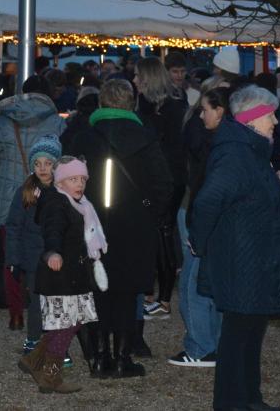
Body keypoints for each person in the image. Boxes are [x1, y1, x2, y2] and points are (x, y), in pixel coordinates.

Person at [65, 79, 174, 378]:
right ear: (132, 103)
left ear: (102, 102)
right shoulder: (145, 136)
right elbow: (164, 183)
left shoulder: (83, 137)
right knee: (126, 294)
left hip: (92, 224)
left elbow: (67, 180)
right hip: (133, 226)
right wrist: (151, 212)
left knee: (97, 290)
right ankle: (122, 357)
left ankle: (99, 358)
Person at [190, 85, 280, 411]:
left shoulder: (250, 150)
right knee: (238, 333)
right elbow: (208, 200)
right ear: (252, 119)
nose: (275, 121)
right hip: (240, 258)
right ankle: (231, 402)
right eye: (269, 114)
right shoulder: (236, 154)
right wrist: (200, 242)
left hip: (253, 257)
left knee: (251, 332)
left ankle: (249, 398)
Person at [0, 76, 66, 329]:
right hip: (46, 198)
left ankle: (16, 314)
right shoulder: (57, 122)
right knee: (46, 251)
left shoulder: (3, 120)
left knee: (13, 256)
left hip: (10, 198)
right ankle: (42, 309)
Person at [17, 156, 103, 393]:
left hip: (73, 274)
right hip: (60, 274)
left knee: (69, 323)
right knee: (67, 325)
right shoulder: (57, 203)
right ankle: (50, 377)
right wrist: (52, 252)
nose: (79, 184)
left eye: (82, 179)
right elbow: (52, 230)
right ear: (61, 182)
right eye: (73, 179)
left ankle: (34, 359)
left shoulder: (80, 203)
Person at [168, 84, 230, 368]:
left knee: (193, 282)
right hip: (207, 217)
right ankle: (213, 344)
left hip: (202, 216)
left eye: (205, 110)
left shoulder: (216, 144)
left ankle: (201, 346)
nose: (200, 116)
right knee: (208, 282)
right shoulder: (221, 142)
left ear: (220, 111)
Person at [134, 56, 188, 320]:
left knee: (163, 234)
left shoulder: (166, 109)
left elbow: (166, 147)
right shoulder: (165, 105)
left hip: (165, 180)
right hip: (166, 179)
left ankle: (163, 299)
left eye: (137, 76)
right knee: (160, 234)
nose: (134, 81)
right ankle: (156, 296)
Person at [7, 136, 62, 354]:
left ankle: (57, 343)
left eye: (48, 163)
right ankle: (33, 339)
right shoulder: (26, 192)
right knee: (37, 302)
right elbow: (13, 226)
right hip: (33, 258)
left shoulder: (63, 191)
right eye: (38, 164)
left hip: (57, 256)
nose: (42, 168)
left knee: (58, 301)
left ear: (56, 165)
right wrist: (13, 259)